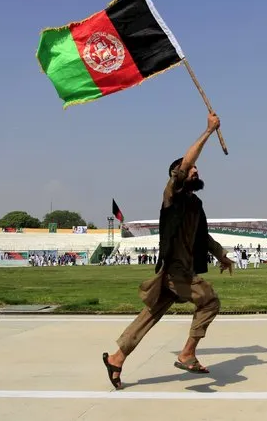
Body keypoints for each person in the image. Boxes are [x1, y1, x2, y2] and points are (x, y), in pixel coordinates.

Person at [102, 112, 234, 390]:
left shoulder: (195, 205)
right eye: (192, 170)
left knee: (150, 314)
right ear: (180, 174)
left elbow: (203, 237)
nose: (197, 172)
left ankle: (116, 358)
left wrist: (221, 255)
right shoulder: (171, 196)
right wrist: (208, 131)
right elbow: (186, 164)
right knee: (209, 300)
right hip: (175, 271)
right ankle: (187, 353)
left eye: (198, 170)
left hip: (179, 271)